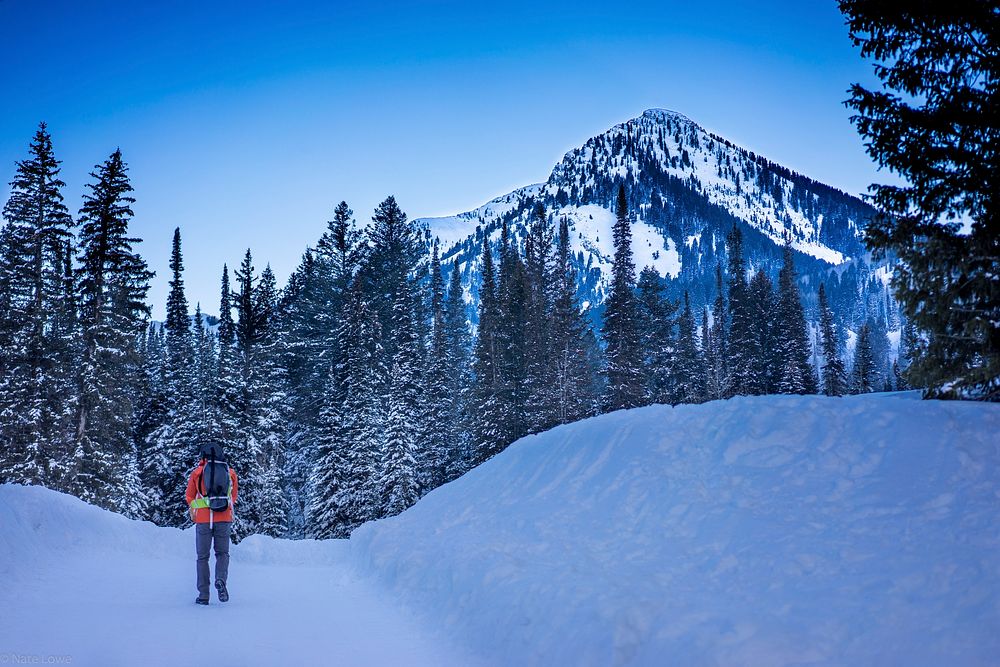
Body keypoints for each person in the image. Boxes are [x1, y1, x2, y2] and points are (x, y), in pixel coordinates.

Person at [185, 443, 238, 606]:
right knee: (222, 553)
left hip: (203, 521)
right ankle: (220, 580)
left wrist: (197, 509)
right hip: (224, 518)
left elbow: (189, 497)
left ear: (203, 456)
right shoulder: (230, 473)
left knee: (202, 557)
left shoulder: (197, 472)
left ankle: (203, 596)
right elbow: (233, 497)